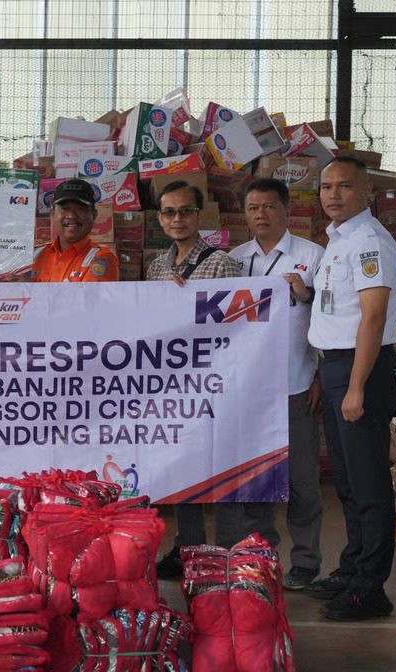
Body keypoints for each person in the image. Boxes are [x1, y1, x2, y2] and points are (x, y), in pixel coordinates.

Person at [304, 156, 396, 621]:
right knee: (347, 482)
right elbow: (336, 307)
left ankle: (370, 589)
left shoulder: (369, 242)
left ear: (367, 192)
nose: (333, 195)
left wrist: (356, 386)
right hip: (337, 366)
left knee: (369, 483)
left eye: (344, 186)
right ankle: (353, 567)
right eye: (326, 187)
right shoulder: (338, 240)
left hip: (362, 367)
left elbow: (373, 317)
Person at [229, 178, 325, 590]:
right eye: (253, 208)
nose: (261, 215)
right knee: (256, 482)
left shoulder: (313, 256)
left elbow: (331, 318)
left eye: (269, 206)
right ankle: (260, 557)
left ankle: (305, 561)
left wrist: (306, 295)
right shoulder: (234, 260)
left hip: (296, 385)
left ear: (286, 211)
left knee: (303, 482)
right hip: (249, 393)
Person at [145, 180, 245, 578]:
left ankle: (226, 554)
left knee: (222, 465)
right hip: (174, 383)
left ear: (199, 215)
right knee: (183, 464)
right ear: (159, 219)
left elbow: (236, 325)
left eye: (185, 211)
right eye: (169, 212)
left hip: (215, 381)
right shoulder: (156, 267)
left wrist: (186, 303)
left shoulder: (221, 263)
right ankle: (188, 548)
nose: (178, 219)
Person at [33, 178, 119, 282]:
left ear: (94, 215)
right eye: (65, 208)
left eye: (80, 208)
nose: (71, 215)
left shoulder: (102, 258)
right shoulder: (35, 255)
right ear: (52, 215)